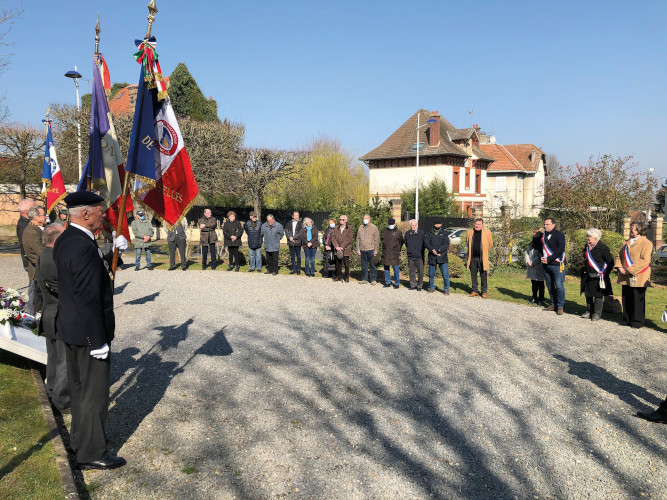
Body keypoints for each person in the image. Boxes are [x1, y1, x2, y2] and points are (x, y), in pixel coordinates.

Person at [53, 191, 128, 470]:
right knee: (94, 395)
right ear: (85, 214)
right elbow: (87, 296)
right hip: (87, 334)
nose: (105, 215)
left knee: (80, 391)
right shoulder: (81, 245)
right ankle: (93, 453)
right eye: (100, 210)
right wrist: (97, 340)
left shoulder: (69, 239)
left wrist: (113, 255)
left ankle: (79, 442)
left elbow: (90, 275)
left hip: (73, 330)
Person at [35, 223, 69, 411]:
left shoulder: (44, 255)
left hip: (50, 313)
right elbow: (64, 289)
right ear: (57, 239)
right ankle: (62, 401)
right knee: (64, 361)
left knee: (54, 358)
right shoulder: (55, 258)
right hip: (59, 313)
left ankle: (52, 391)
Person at [614, 221, 652, 328]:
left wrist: (629, 270)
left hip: (638, 275)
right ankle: (626, 319)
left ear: (640, 229)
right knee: (626, 298)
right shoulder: (627, 242)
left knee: (637, 299)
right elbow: (619, 256)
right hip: (625, 275)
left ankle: (637, 321)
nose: (631, 230)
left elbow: (644, 260)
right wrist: (620, 267)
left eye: (633, 228)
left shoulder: (647, 243)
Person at [580, 228, 614, 321]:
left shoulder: (603, 247)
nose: (587, 238)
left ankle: (597, 313)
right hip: (588, 274)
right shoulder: (586, 247)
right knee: (588, 293)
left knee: (598, 295)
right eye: (587, 236)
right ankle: (589, 310)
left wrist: (604, 273)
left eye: (589, 236)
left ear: (595, 237)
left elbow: (610, 262)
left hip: (599, 276)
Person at [22, 205, 47, 315]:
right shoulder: (32, 232)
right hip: (37, 271)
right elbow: (41, 252)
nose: (46, 217)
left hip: (38, 269)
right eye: (43, 215)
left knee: (36, 298)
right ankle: (34, 324)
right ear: (36, 217)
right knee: (36, 301)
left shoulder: (36, 229)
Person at [541, 217, 566, 315]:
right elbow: (540, 249)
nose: (545, 226)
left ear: (553, 225)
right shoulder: (543, 236)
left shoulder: (559, 235)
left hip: (557, 264)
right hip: (546, 264)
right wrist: (541, 258)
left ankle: (560, 306)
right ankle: (553, 304)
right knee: (549, 285)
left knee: (559, 285)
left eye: (547, 224)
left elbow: (560, 250)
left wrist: (549, 259)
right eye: (544, 224)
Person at [466, 218, 493, 298]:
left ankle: (484, 291)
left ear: (482, 225)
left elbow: (490, 245)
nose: (477, 226)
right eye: (476, 224)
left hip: (482, 257)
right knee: (473, 275)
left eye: (479, 224)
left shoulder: (487, 233)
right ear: (474, 224)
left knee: (483, 274)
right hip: (473, 257)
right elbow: (468, 243)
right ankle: (475, 290)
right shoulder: (469, 233)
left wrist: (485, 251)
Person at [425, 218, 450, 295]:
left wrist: (439, 250)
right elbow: (426, 243)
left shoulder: (444, 233)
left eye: (439, 224)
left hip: (442, 256)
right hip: (432, 256)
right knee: (431, 274)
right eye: (436, 224)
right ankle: (431, 287)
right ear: (434, 224)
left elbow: (446, 244)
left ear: (441, 224)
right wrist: (432, 250)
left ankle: (446, 289)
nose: (437, 225)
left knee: (445, 274)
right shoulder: (429, 233)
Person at [356, 213, 380, 285]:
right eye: (364, 218)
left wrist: (375, 250)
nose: (365, 220)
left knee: (372, 265)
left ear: (369, 219)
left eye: (366, 218)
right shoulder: (360, 227)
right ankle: (364, 279)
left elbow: (377, 240)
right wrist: (358, 249)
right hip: (362, 249)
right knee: (364, 265)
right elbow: (357, 239)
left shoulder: (374, 227)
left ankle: (373, 279)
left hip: (371, 249)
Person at [525, 228, 545, 306]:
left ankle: (541, 299)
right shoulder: (532, 243)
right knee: (534, 283)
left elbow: (541, 254)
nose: (533, 234)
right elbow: (527, 252)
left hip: (539, 266)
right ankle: (534, 297)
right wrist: (528, 261)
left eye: (534, 233)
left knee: (540, 283)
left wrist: (534, 262)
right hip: (531, 266)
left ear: (539, 234)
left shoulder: (542, 243)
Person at [381, 218, 403, 289]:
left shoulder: (398, 232)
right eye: (389, 224)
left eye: (392, 224)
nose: (391, 225)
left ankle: (397, 283)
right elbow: (382, 241)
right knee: (386, 268)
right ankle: (387, 282)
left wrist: (397, 249)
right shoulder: (385, 231)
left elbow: (401, 242)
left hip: (394, 253)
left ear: (394, 224)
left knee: (395, 269)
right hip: (386, 252)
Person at [404, 219, 426, 291]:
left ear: (417, 225)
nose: (414, 226)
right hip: (411, 256)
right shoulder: (407, 234)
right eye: (413, 225)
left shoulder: (421, 233)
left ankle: (420, 286)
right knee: (411, 272)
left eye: (415, 225)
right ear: (410, 226)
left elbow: (424, 244)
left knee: (420, 272)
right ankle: (413, 285)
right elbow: (406, 243)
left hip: (419, 256)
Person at [332, 214, 353, 283]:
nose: (341, 221)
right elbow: (333, 238)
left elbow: (349, 238)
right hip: (337, 249)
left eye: (343, 219)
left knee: (346, 264)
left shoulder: (349, 228)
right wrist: (336, 246)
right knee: (338, 263)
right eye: (340, 219)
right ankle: (339, 276)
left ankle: (346, 277)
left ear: (346, 221)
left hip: (346, 248)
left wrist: (342, 246)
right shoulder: (336, 228)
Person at [16, 198, 34, 274]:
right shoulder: (23, 225)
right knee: (35, 284)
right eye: (33, 208)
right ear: (27, 211)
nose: (36, 210)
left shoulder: (30, 221)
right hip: (31, 260)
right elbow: (27, 244)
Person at [285, 211, 303, 275]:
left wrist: (293, 238)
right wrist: (289, 237)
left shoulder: (301, 223)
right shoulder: (289, 223)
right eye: (295, 215)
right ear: (293, 216)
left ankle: (298, 269)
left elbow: (301, 232)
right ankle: (293, 269)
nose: (297, 216)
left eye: (298, 215)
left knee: (298, 256)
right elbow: (286, 231)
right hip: (290, 242)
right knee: (292, 256)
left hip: (297, 242)